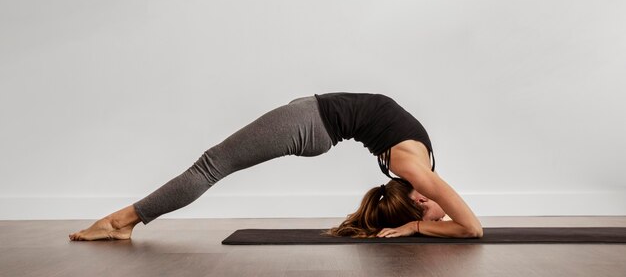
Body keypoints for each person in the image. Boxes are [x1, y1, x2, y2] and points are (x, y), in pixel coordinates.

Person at [69, 92, 482, 241]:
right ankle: (124, 221)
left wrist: (415, 226)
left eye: (430, 212)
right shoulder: (416, 168)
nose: (439, 210)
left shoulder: (414, 171)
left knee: (211, 166)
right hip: (311, 119)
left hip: (309, 124)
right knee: (213, 165)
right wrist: (419, 221)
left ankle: (120, 221)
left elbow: (471, 229)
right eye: (431, 213)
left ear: (418, 197)